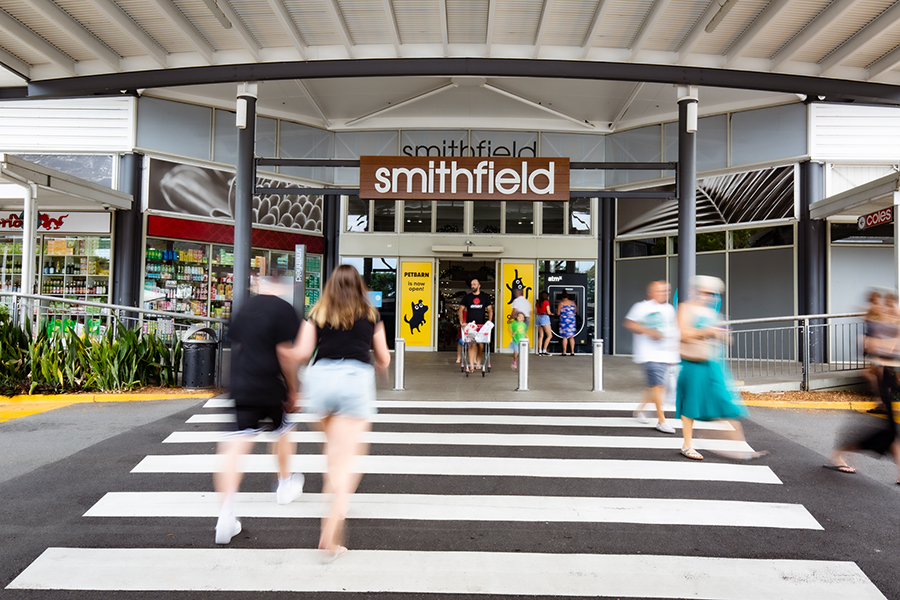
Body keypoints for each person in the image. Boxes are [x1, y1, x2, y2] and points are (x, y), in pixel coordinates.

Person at [291, 265, 391, 560]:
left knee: (333, 454)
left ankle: (336, 496)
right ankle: (331, 532)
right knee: (349, 460)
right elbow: (383, 357)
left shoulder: (318, 313)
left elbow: (302, 352)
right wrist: (380, 365)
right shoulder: (370, 314)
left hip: (320, 380)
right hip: (353, 381)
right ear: (359, 286)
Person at [214, 276, 303, 545]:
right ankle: (285, 484)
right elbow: (285, 354)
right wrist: (293, 388)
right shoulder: (284, 310)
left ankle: (225, 515)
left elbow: (237, 346)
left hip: (242, 385)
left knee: (236, 444)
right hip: (270, 384)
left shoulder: (244, 308)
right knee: (284, 430)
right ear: (280, 285)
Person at [675, 275, 766, 461]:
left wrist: (723, 334)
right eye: (705, 292)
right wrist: (707, 332)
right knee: (691, 405)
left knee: (726, 402)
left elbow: (727, 338)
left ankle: (741, 448)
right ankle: (687, 444)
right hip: (693, 364)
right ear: (696, 291)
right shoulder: (686, 308)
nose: (708, 296)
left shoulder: (712, 313)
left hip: (713, 363)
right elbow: (682, 334)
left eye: (711, 293)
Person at [828, 291, 900, 480]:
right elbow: (870, 346)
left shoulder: (891, 322)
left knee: (891, 432)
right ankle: (838, 453)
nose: (890, 309)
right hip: (883, 377)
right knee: (890, 432)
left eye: (892, 305)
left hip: (890, 378)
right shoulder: (877, 324)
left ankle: (839, 453)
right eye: (887, 305)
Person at [623, 281, 679, 434]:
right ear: (651, 292)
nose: (663, 293)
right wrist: (649, 331)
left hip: (665, 353)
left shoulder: (668, 308)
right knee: (658, 386)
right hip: (648, 353)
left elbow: (673, 329)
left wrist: (675, 350)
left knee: (655, 386)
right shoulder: (641, 307)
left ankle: (639, 410)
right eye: (660, 291)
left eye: (665, 291)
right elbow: (629, 324)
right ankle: (661, 421)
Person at [459, 277, 494, 372]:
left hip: (481, 325)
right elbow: (461, 309)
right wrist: (461, 321)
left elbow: (490, 310)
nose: (472, 286)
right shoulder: (467, 297)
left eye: (474, 284)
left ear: (479, 286)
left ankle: (478, 360)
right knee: (470, 344)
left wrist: (489, 322)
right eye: (471, 285)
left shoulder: (484, 297)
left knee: (480, 345)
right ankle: (471, 366)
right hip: (470, 325)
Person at [556, 291, 577, 356]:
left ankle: (564, 352)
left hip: (564, 321)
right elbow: (576, 311)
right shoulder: (573, 303)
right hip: (572, 321)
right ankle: (572, 351)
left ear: (562, 297)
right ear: (568, 296)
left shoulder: (561, 303)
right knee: (571, 337)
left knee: (564, 337)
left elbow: (558, 313)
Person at [535, 290, 552, 356]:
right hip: (545, 318)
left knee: (541, 336)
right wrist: (552, 314)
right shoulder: (546, 302)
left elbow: (536, 312)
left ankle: (540, 351)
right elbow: (548, 312)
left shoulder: (537, 303)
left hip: (539, 318)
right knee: (549, 335)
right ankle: (544, 350)